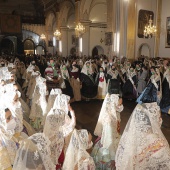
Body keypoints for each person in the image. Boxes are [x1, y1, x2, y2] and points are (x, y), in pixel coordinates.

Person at [115, 102, 170, 169]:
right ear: (154, 119)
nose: (161, 119)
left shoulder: (127, 138)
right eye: (159, 116)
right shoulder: (160, 143)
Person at [91, 89, 123, 169]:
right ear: (114, 103)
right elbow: (109, 142)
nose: (121, 102)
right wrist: (113, 157)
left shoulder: (114, 113)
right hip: (110, 146)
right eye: (119, 101)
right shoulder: (109, 119)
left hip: (114, 137)